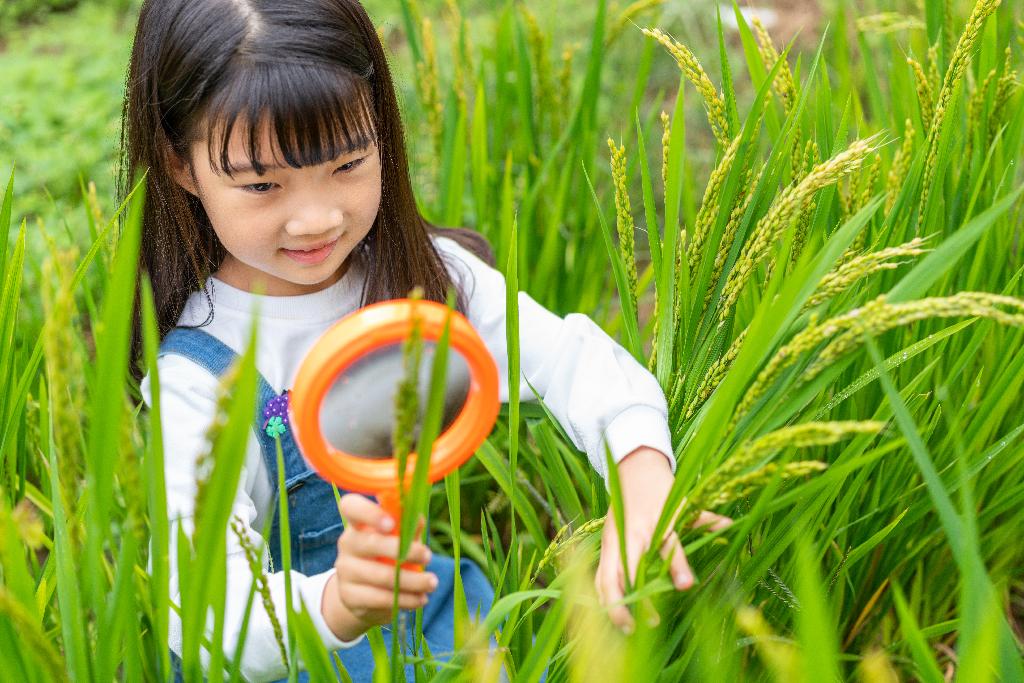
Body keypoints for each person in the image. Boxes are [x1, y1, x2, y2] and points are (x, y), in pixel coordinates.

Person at [122, 1, 729, 680]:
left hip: (423, 617)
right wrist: (335, 604)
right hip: (283, 653)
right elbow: (199, 601)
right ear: (180, 164)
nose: (317, 217)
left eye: (348, 164)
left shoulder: (418, 276)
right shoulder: (202, 375)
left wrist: (641, 479)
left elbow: (571, 360)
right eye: (264, 184)